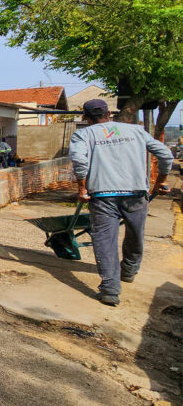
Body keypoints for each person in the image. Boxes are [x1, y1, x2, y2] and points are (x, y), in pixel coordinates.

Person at [68, 99, 173, 306]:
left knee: (105, 240)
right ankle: (129, 271)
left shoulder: (83, 134)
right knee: (135, 233)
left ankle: (110, 290)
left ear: (86, 118)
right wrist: (161, 181)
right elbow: (166, 155)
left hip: (103, 195)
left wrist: (82, 187)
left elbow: (80, 161)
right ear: (108, 114)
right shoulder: (135, 131)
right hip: (136, 193)